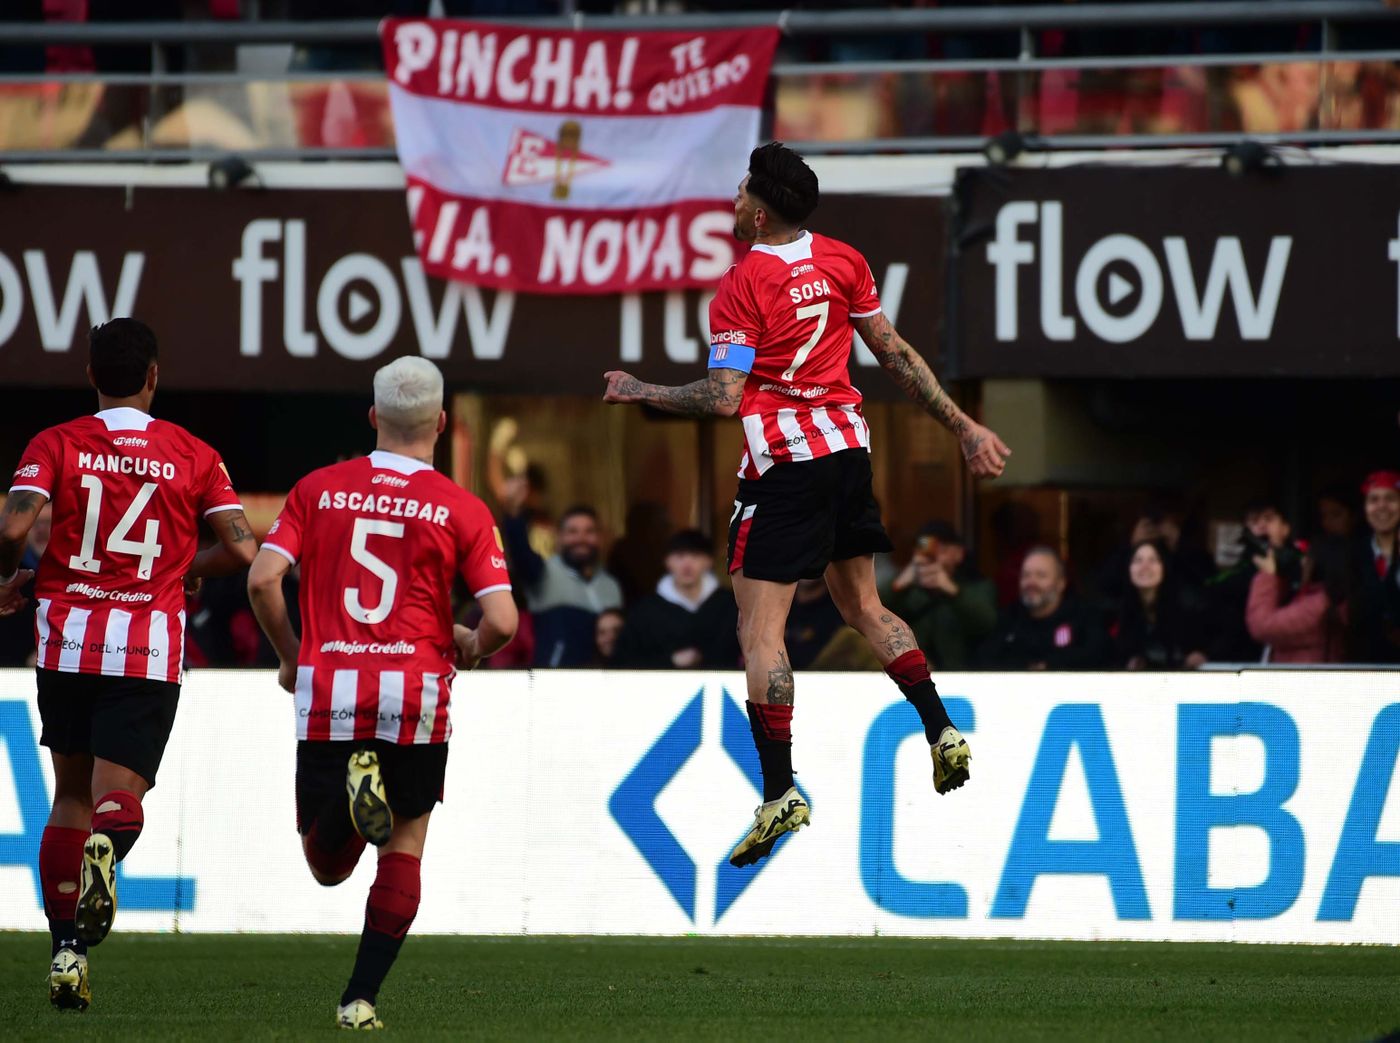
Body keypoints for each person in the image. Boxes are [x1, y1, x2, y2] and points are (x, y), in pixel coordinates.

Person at [603, 141, 1011, 867]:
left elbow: (726, 396)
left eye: (737, 196)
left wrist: (646, 391)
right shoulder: (844, 260)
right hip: (849, 453)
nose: (730, 204)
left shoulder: (741, 284)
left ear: (758, 213)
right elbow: (897, 354)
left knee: (761, 634)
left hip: (784, 464)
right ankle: (941, 726)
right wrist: (964, 425)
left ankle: (780, 788)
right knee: (866, 607)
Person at [247, 357, 517, 1031]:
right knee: (403, 847)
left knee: (326, 863)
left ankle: (346, 800)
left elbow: (261, 580)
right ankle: (359, 998)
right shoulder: (463, 507)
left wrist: (289, 655)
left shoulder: (318, 489)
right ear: (443, 424)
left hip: (329, 687)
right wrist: (472, 645)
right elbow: (505, 619)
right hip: (417, 694)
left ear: (372, 417)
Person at [0, 318, 256, 1011]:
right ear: (152, 376)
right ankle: (106, 854)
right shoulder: (194, 453)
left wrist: (6, 579)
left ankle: (65, 953)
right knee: (120, 802)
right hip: (144, 646)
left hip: (67, 641)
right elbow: (241, 548)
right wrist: (185, 569)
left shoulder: (55, 442)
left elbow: (14, 525)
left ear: (90, 376)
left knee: (71, 798)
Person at [500, 493, 622, 668]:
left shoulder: (611, 586)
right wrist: (513, 516)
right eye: (573, 531)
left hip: (603, 681)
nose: (581, 538)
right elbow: (521, 555)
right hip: (555, 680)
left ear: (600, 537)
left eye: (589, 531)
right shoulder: (544, 573)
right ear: (559, 537)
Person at [615, 530, 741, 670]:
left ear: (709, 561)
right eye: (679, 556)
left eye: (695, 556)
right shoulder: (646, 611)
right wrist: (669, 661)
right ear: (667, 561)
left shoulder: (731, 605)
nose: (687, 565)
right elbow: (624, 660)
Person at [885, 520, 997, 671]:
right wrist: (898, 586)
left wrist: (953, 591)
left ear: (958, 554)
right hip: (914, 675)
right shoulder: (907, 591)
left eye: (942, 550)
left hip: (963, 675)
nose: (934, 558)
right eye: (925, 550)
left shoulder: (978, 586)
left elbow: (987, 622)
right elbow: (871, 615)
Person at [977, 547, 1110, 670]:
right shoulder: (1010, 618)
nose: (1031, 582)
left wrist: (1049, 666)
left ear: (1061, 583)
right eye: (1026, 575)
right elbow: (986, 659)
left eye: (1041, 576)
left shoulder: (1084, 617)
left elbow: (1097, 656)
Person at [1247, 535, 1353, 664]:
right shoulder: (1322, 598)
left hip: (1303, 681)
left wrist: (1267, 576)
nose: (1302, 563)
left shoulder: (1318, 607)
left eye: (1308, 558)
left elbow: (1263, 625)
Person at [1112, 539, 1208, 670]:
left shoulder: (1187, 602)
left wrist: (1203, 653)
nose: (1145, 566)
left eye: (1153, 560)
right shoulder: (1125, 606)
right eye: (1138, 560)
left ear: (1164, 567)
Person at [1352, 470, 1400, 663]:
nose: (1382, 506)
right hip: (1365, 671)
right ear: (1364, 508)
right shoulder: (1353, 553)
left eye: (1391, 498)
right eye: (1373, 500)